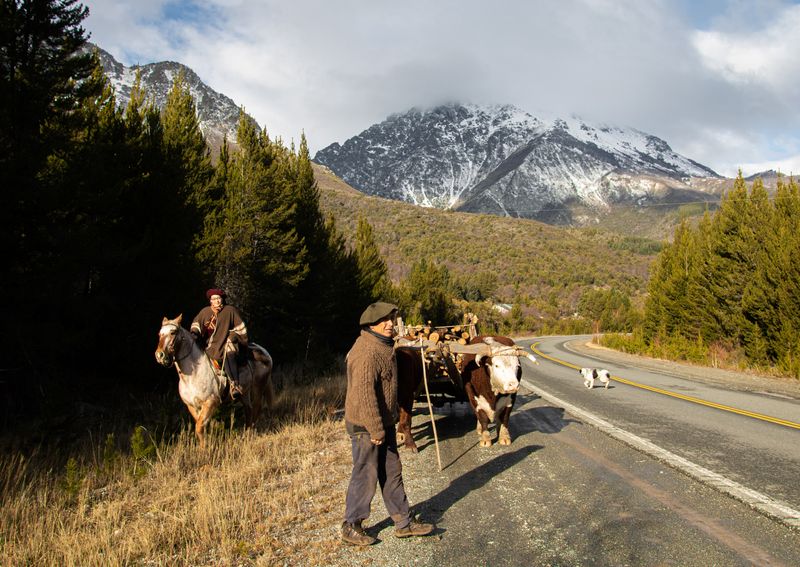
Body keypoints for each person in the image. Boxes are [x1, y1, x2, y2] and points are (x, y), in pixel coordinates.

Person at [341, 301, 435, 546]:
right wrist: (375, 429)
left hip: (383, 423)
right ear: (371, 324)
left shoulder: (383, 346)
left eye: (393, 320)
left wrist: (387, 424)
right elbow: (364, 394)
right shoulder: (367, 352)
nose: (391, 324)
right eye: (386, 321)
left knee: (392, 472)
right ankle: (352, 524)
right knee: (366, 474)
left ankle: (403, 522)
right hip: (366, 426)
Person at [190, 288, 248, 398]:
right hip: (210, 346)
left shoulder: (230, 310)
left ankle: (235, 385)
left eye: (218, 298)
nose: (216, 301)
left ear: (222, 299)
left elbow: (240, 328)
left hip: (227, 342)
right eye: (214, 299)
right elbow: (196, 324)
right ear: (210, 301)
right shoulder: (205, 312)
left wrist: (232, 336)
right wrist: (195, 333)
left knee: (229, 352)